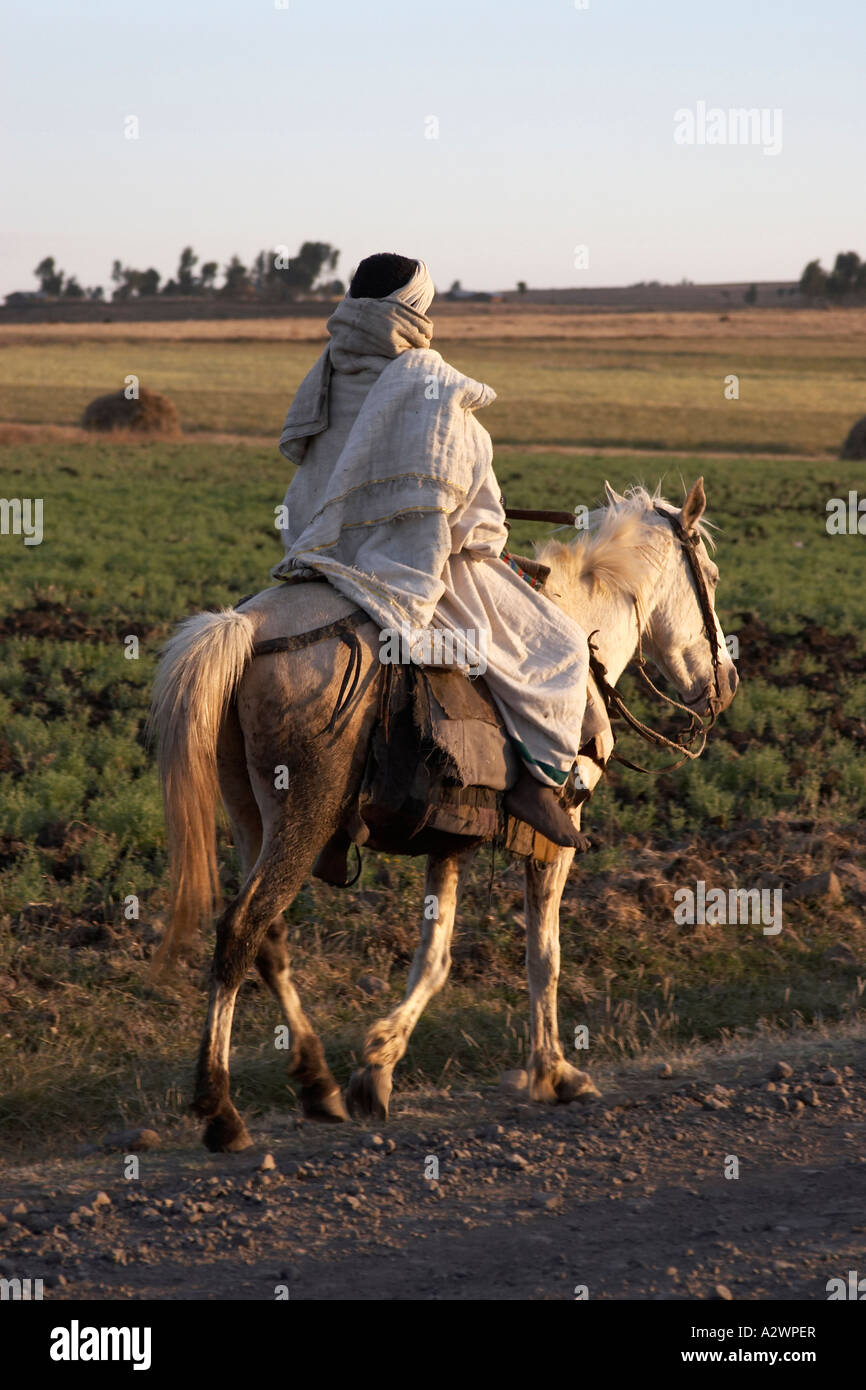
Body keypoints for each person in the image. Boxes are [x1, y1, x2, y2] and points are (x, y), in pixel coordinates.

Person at [272, 252, 591, 854]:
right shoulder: (437, 387)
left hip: (318, 557)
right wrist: (484, 541)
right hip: (413, 569)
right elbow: (480, 528)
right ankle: (538, 782)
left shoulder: (324, 376)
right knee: (561, 647)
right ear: (414, 310)